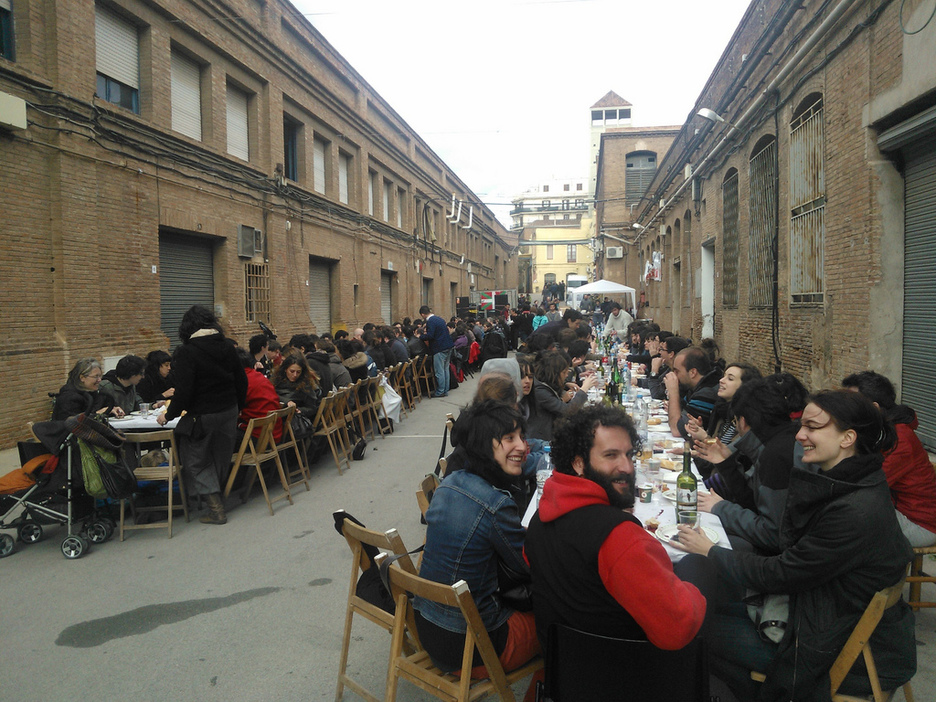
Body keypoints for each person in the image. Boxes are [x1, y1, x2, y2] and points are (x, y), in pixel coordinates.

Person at [674, 390, 916, 701]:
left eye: (813, 427)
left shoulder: (854, 509)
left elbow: (781, 571)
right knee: (708, 600)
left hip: (831, 646)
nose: (800, 435)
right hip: (818, 613)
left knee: (692, 627)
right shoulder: (853, 482)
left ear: (848, 438)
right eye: (801, 425)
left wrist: (710, 550)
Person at [525, 404, 706, 651]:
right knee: (701, 565)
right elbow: (678, 629)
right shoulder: (619, 537)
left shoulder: (539, 519)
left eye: (629, 455)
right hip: (628, 674)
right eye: (611, 455)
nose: (627, 467)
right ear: (578, 463)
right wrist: (697, 587)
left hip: (562, 669)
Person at [414, 400, 541, 677]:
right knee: (563, 618)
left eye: (521, 436)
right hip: (472, 646)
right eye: (509, 438)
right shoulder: (495, 504)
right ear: (485, 445)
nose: (522, 446)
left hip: (428, 628)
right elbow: (530, 567)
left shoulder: (450, 481)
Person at [157, 305, 247, 526]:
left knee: (194, 459)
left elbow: (184, 391)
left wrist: (169, 415)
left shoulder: (188, 351)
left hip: (203, 415)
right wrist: (238, 406)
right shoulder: (227, 346)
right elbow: (241, 380)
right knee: (220, 456)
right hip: (229, 410)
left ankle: (215, 508)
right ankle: (218, 498)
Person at [842, 370, 936, 546]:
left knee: (846, 520)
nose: (846, 409)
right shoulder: (879, 430)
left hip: (920, 524)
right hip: (898, 510)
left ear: (875, 408)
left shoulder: (899, 439)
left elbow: (869, 482)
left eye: (852, 403)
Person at [531, 350, 596, 441]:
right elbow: (567, 411)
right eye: (564, 372)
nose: (566, 375)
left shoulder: (546, 385)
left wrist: (565, 384)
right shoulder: (540, 391)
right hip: (544, 440)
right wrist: (584, 389)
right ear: (554, 374)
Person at [664, 346, 722, 438]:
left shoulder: (706, 393)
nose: (674, 375)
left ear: (692, 372)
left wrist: (673, 392)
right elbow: (682, 412)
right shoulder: (695, 387)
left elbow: (677, 429)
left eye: (677, 371)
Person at [235, 347, 283, 445]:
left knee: (218, 437)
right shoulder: (259, 376)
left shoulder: (242, 381)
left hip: (258, 438)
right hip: (274, 435)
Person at [52, 358, 119, 420]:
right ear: (82, 378)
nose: (99, 380)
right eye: (96, 376)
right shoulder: (68, 398)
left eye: (100, 376)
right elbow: (72, 423)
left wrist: (113, 410)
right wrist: (98, 414)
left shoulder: (98, 394)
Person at [271, 352, 321, 424]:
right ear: (285, 369)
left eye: (298, 372)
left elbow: (312, 408)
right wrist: (286, 401)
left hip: (294, 422)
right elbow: (271, 394)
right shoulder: (276, 381)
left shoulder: (306, 385)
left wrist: (300, 410)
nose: (295, 375)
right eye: (292, 371)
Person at [419, 305, 455, 398]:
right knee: (446, 369)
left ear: (423, 314)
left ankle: (440, 391)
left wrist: (421, 336)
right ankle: (445, 390)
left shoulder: (430, 321)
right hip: (448, 346)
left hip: (439, 347)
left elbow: (430, 335)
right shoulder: (440, 319)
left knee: (439, 371)